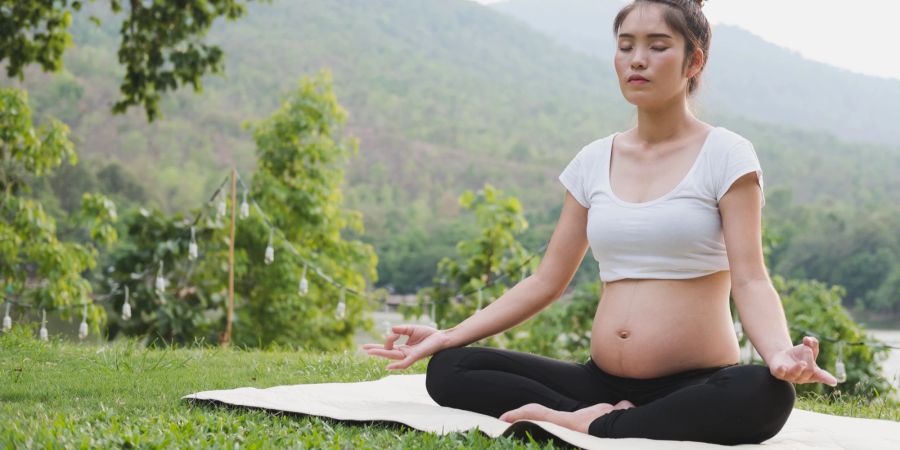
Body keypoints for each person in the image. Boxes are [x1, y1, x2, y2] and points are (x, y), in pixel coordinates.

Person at [362, 0, 838, 445]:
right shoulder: (593, 160)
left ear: (694, 62)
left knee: (763, 393)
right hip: (598, 379)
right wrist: (448, 334)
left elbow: (751, 278)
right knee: (451, 369)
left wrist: (777, 355)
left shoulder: (727, 155)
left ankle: (588, 422)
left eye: (657, 46)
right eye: (626, 45)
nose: (637, 60)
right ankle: (603, 416)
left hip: (694, 381)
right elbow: (547, 280)